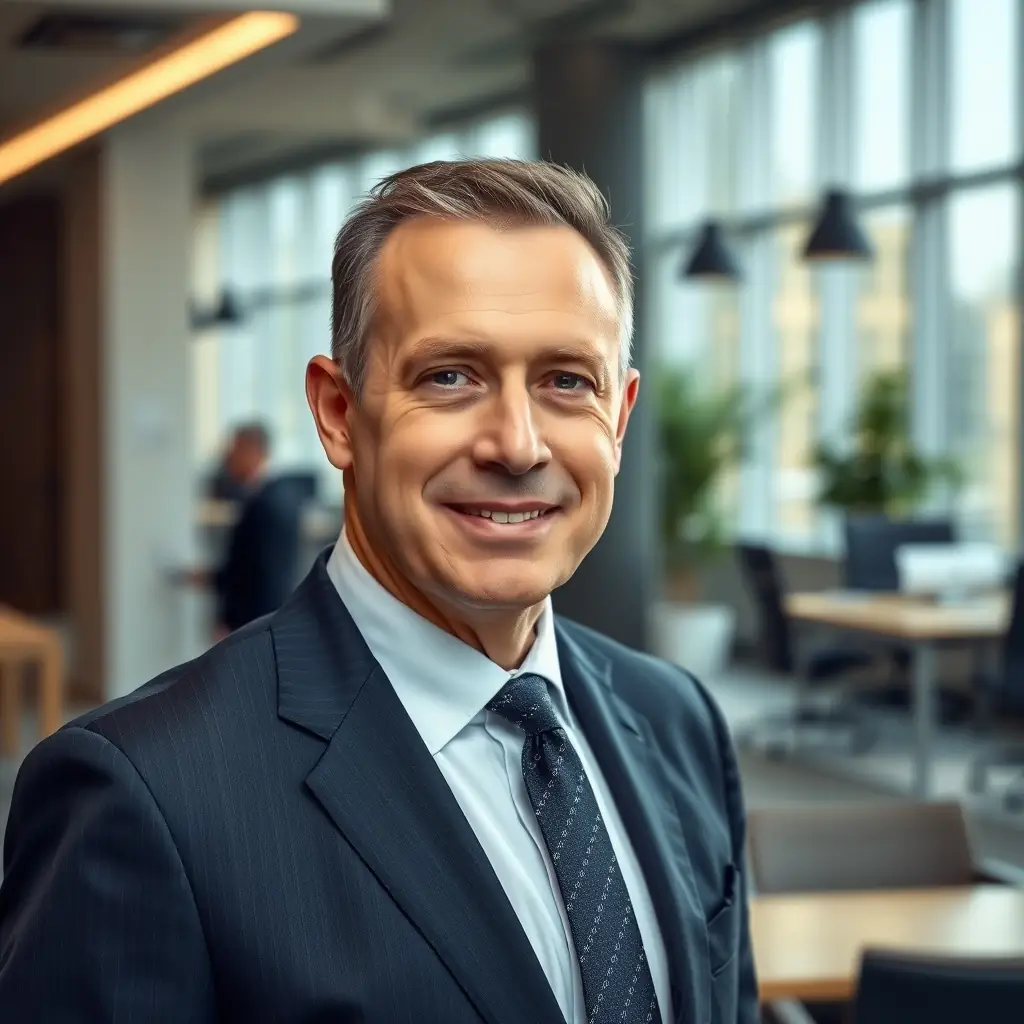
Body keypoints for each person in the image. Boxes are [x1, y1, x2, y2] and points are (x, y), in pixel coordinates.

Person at [0, 160, 758, 1023]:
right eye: (451, 376)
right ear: (337, 413)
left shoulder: (678, 722)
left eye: (565, 382)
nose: (516, 445)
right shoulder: (146, 795)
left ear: (618, 420)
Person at [203, 422, 305, 638]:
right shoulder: (276, 496)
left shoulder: (266, 504)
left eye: (233, 449)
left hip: (254, 623)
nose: (227, 457)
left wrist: (231, 621)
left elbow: (260, 574)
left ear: (252, 451)